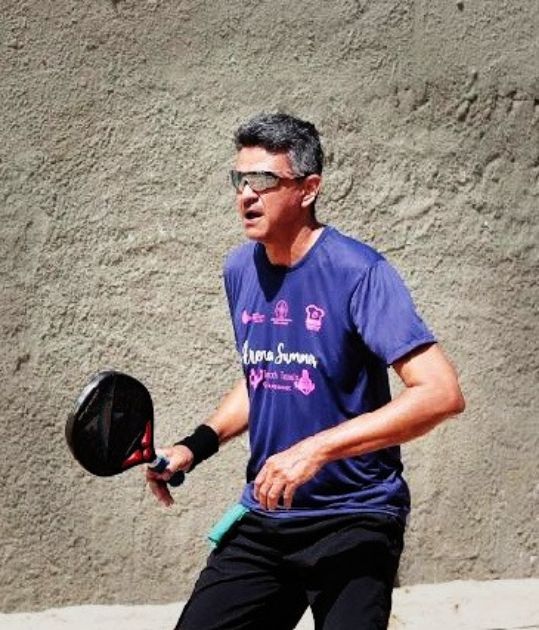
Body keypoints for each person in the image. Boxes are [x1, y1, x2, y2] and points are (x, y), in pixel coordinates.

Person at [146, 113, 465, 630]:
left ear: (308, 188)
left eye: (263, 180)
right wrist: (195, 445)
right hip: (267, 515)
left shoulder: (359, 273)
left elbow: (440, 393)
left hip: (355, 517)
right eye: (239, 179)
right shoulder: (239, 270)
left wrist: (315, 450)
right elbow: (268, 373)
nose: (246, 194)